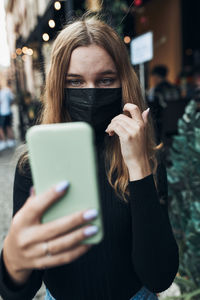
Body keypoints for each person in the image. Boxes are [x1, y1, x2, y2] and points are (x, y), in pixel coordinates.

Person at [0, 15, 179, 300]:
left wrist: (139, 168)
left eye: (106, 80)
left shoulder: (143, 158)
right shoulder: (33, 165)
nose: (91, 93)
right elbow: (19, 292)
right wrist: (12, 260)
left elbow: (158, 276)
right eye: (75, 81)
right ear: (59, 86)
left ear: (123, 81)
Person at [147, 65, 180, 143]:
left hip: (162, 125)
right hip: (176, 124)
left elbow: (152, 107)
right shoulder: (175, 88)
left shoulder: (156, 90)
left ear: (156, 76)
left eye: (153, 76)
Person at [0, 80, 15, 151]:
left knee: (1, 128)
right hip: (8, 111)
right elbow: (12, 100)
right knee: (9, 126)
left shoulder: (3, 92)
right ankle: (11, 141)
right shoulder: (7, 90)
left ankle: (3, 142)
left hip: (2, 113)